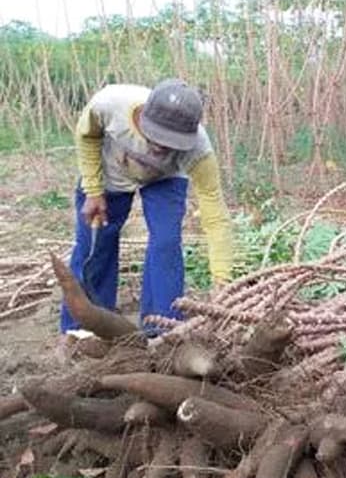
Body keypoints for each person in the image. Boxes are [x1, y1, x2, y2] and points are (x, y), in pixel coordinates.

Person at [60, 78, 235, 335]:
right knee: (95, 242)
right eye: (156, 136)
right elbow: (87, 135)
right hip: (111, 172)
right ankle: (82, 329)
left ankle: (162, 329)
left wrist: (222, 280)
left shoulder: (199, 150)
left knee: (166, 242)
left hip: (165, 178)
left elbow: (215, 216)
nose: (160, 146)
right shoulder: (109, 104)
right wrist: (93, 190)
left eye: (171, 142)